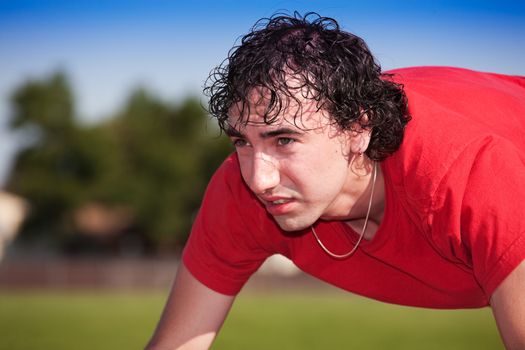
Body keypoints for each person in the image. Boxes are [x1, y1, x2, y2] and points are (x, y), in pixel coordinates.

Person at [146, 12, 525, 350]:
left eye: (285, 140)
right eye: (243, 141)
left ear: (359, 128)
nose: (259, 179)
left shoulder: (467, 174)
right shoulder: (240, 191)